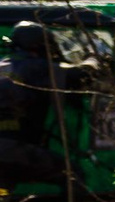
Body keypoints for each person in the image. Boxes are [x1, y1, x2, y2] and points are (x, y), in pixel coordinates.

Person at [0, 22, 73, 186]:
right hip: (13, 148)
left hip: (9, 149)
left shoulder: (5, 66)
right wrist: (92, 62)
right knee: (72, 174)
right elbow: (77, 74)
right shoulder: (37, 67)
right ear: (40, 46)